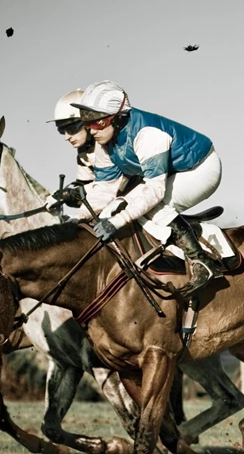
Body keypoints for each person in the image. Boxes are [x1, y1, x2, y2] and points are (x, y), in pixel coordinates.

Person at [65, 80, 224, 297]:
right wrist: (79, 217)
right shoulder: (105, 143)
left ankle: (202, 262)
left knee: (152, 206)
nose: (91, 131)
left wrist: (116, 222)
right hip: (173, 173)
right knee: (121, 205)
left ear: (117, 117)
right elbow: (105, 189)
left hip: (201, 168)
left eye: (97, 122)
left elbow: (155, 191)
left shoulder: (147, 134)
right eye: (87, 123)